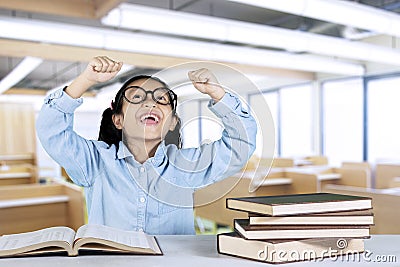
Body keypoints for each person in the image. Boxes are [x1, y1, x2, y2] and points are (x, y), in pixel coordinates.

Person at [36, 56, 257, 235]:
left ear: (171, 123)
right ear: (118, 120)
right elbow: (51, 130)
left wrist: (218, 93)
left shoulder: (186, 165)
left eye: (161, 99)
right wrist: (85, 80)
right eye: (137, 98)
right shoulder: (95, 162)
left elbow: (241, 145)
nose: (150, 102)